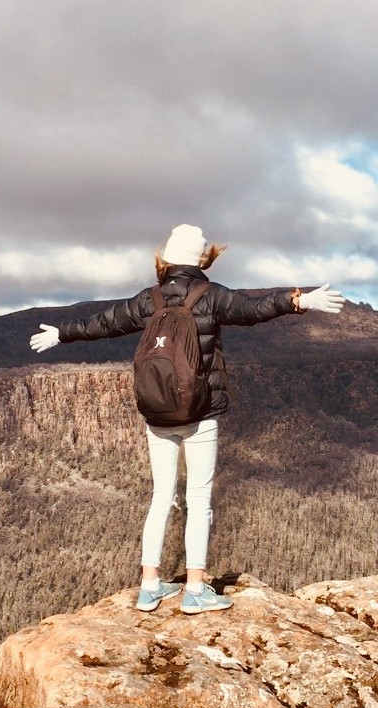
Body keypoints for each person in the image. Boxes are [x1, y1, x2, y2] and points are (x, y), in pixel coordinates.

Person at [30, 224, 345, 614]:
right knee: (198, 498)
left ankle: (149, 587)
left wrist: (62, 333)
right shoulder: (210, 296)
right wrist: (299, 300)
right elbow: (253, 308)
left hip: (158, 412)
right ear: (201, 259)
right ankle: (195, 591)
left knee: (161, 497)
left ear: (167, 257)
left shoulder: (149, 299)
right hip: (201, 412)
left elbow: (104, 323)